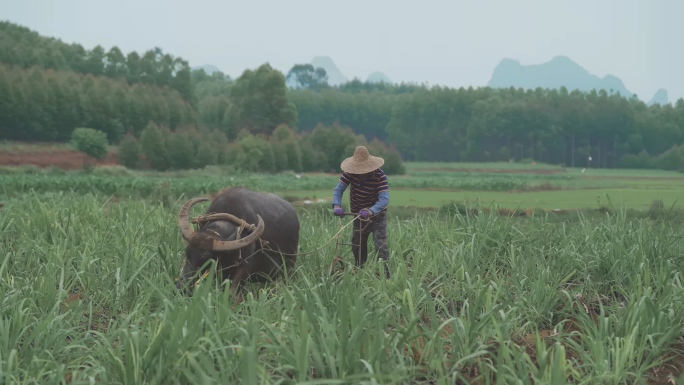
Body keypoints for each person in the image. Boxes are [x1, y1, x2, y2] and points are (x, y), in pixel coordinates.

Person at [331, 145, 391, 279]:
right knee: (357, 244)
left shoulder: (380, 176)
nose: (361, 172)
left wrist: (371, 211)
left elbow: (384, 199)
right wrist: (336, 205)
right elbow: (338, 190)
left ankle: (387, 275)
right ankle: (360, 270)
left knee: (380, 245)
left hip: (377, 216)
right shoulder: (350, 173)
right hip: (358, 215)